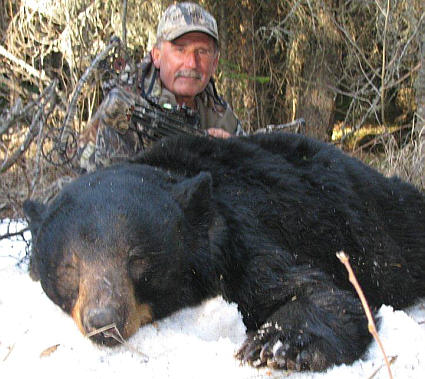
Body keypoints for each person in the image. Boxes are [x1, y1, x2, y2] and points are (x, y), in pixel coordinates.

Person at [78, 2, 242, 171]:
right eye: (180, 49)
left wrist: (231, 155)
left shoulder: (220, 115)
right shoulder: (126, 107)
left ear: (214, 63)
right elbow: (96, 184)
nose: (192, 63)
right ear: (157, 56)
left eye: (202, 51)